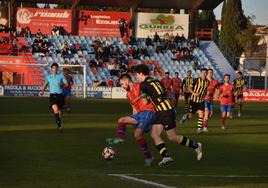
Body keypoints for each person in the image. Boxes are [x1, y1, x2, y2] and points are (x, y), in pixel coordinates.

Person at [134, 64, 202, 167]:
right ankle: (166, 157)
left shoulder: (143, 85)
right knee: (154, 134)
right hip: (165, 110)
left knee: (172, 136)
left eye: (136, 75)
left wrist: (144, 98)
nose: (136, 77)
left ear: (140, 73)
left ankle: (196, 145)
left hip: (164, 111)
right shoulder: (156, 81)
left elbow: (145, 102)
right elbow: (166, 93)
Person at [106, 74, 156, 166]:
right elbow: (134, 108)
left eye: (122, 84)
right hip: (140, 115)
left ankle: (149, 158)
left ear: (126, 80)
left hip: (149, 111)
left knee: (137, 134)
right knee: (122, 120)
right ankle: (120, 138)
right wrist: (134, 121)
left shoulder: (140, 86)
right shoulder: (128, 94)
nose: (121, 86)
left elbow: (151, 94)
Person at [180, 68, 209, 134]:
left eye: (205, 73)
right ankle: (185, 117)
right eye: (203, 73)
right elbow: (189, 88)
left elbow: (205, 90)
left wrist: (205, 95)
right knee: (190, 116)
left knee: (201, 114)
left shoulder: (207, 82)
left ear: (207, 74)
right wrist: (194, 93)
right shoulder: (196, 80)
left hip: (201, 101)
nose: (204, 74)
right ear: (200, 73)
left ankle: (199, 129)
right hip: (193, 101)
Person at [40, 63, 68, 133]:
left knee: (59, 112)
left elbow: (66, 84)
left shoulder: (61, 76)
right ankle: (59, 126)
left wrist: (61, 85)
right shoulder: (48, 77)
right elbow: (45, 84)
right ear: (51, 69)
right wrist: (42, 91)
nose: (54, 69)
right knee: (55, 110)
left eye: (56, 68)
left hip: (60, 96)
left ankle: (59, 120)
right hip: (52, 96)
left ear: (57, 69)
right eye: (53, 68)